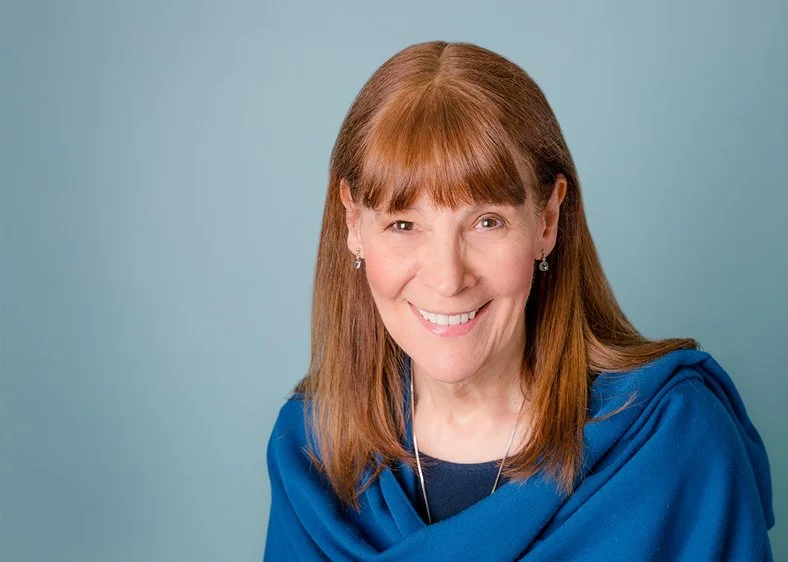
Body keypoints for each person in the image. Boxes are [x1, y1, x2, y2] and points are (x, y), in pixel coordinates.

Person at [263, 41, 774, 561]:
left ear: (547, 221)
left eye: (487, 222)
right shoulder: (309, 452)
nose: (448, 278)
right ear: (353, 224)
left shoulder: (677, 440)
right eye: (404, 224)